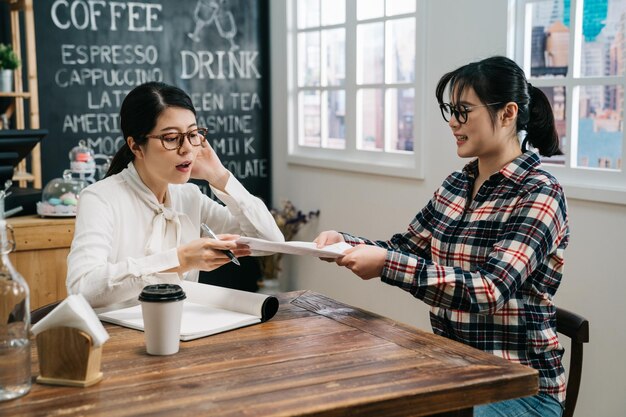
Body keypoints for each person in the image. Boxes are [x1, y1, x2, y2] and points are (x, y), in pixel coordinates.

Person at [314, 56, 568, 417]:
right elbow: (404, 248)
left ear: (508, 113)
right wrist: (346, 242)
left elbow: (489, 290)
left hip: (523, 389)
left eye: (464, 111)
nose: (453, 122)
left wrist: (387, 265)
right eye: (450, 110)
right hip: (453, 372)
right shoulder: (455, 185)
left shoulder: (540, 193)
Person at [67, 82, 283, 310]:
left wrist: (220, 177)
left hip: (185, 330)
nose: (187, 148)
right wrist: (178, 259)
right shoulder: (100, 198)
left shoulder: (189, 196)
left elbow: (271, 243)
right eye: (171, 138)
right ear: (136, 146)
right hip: (118, 338)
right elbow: (82, 287)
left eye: (192, 134)